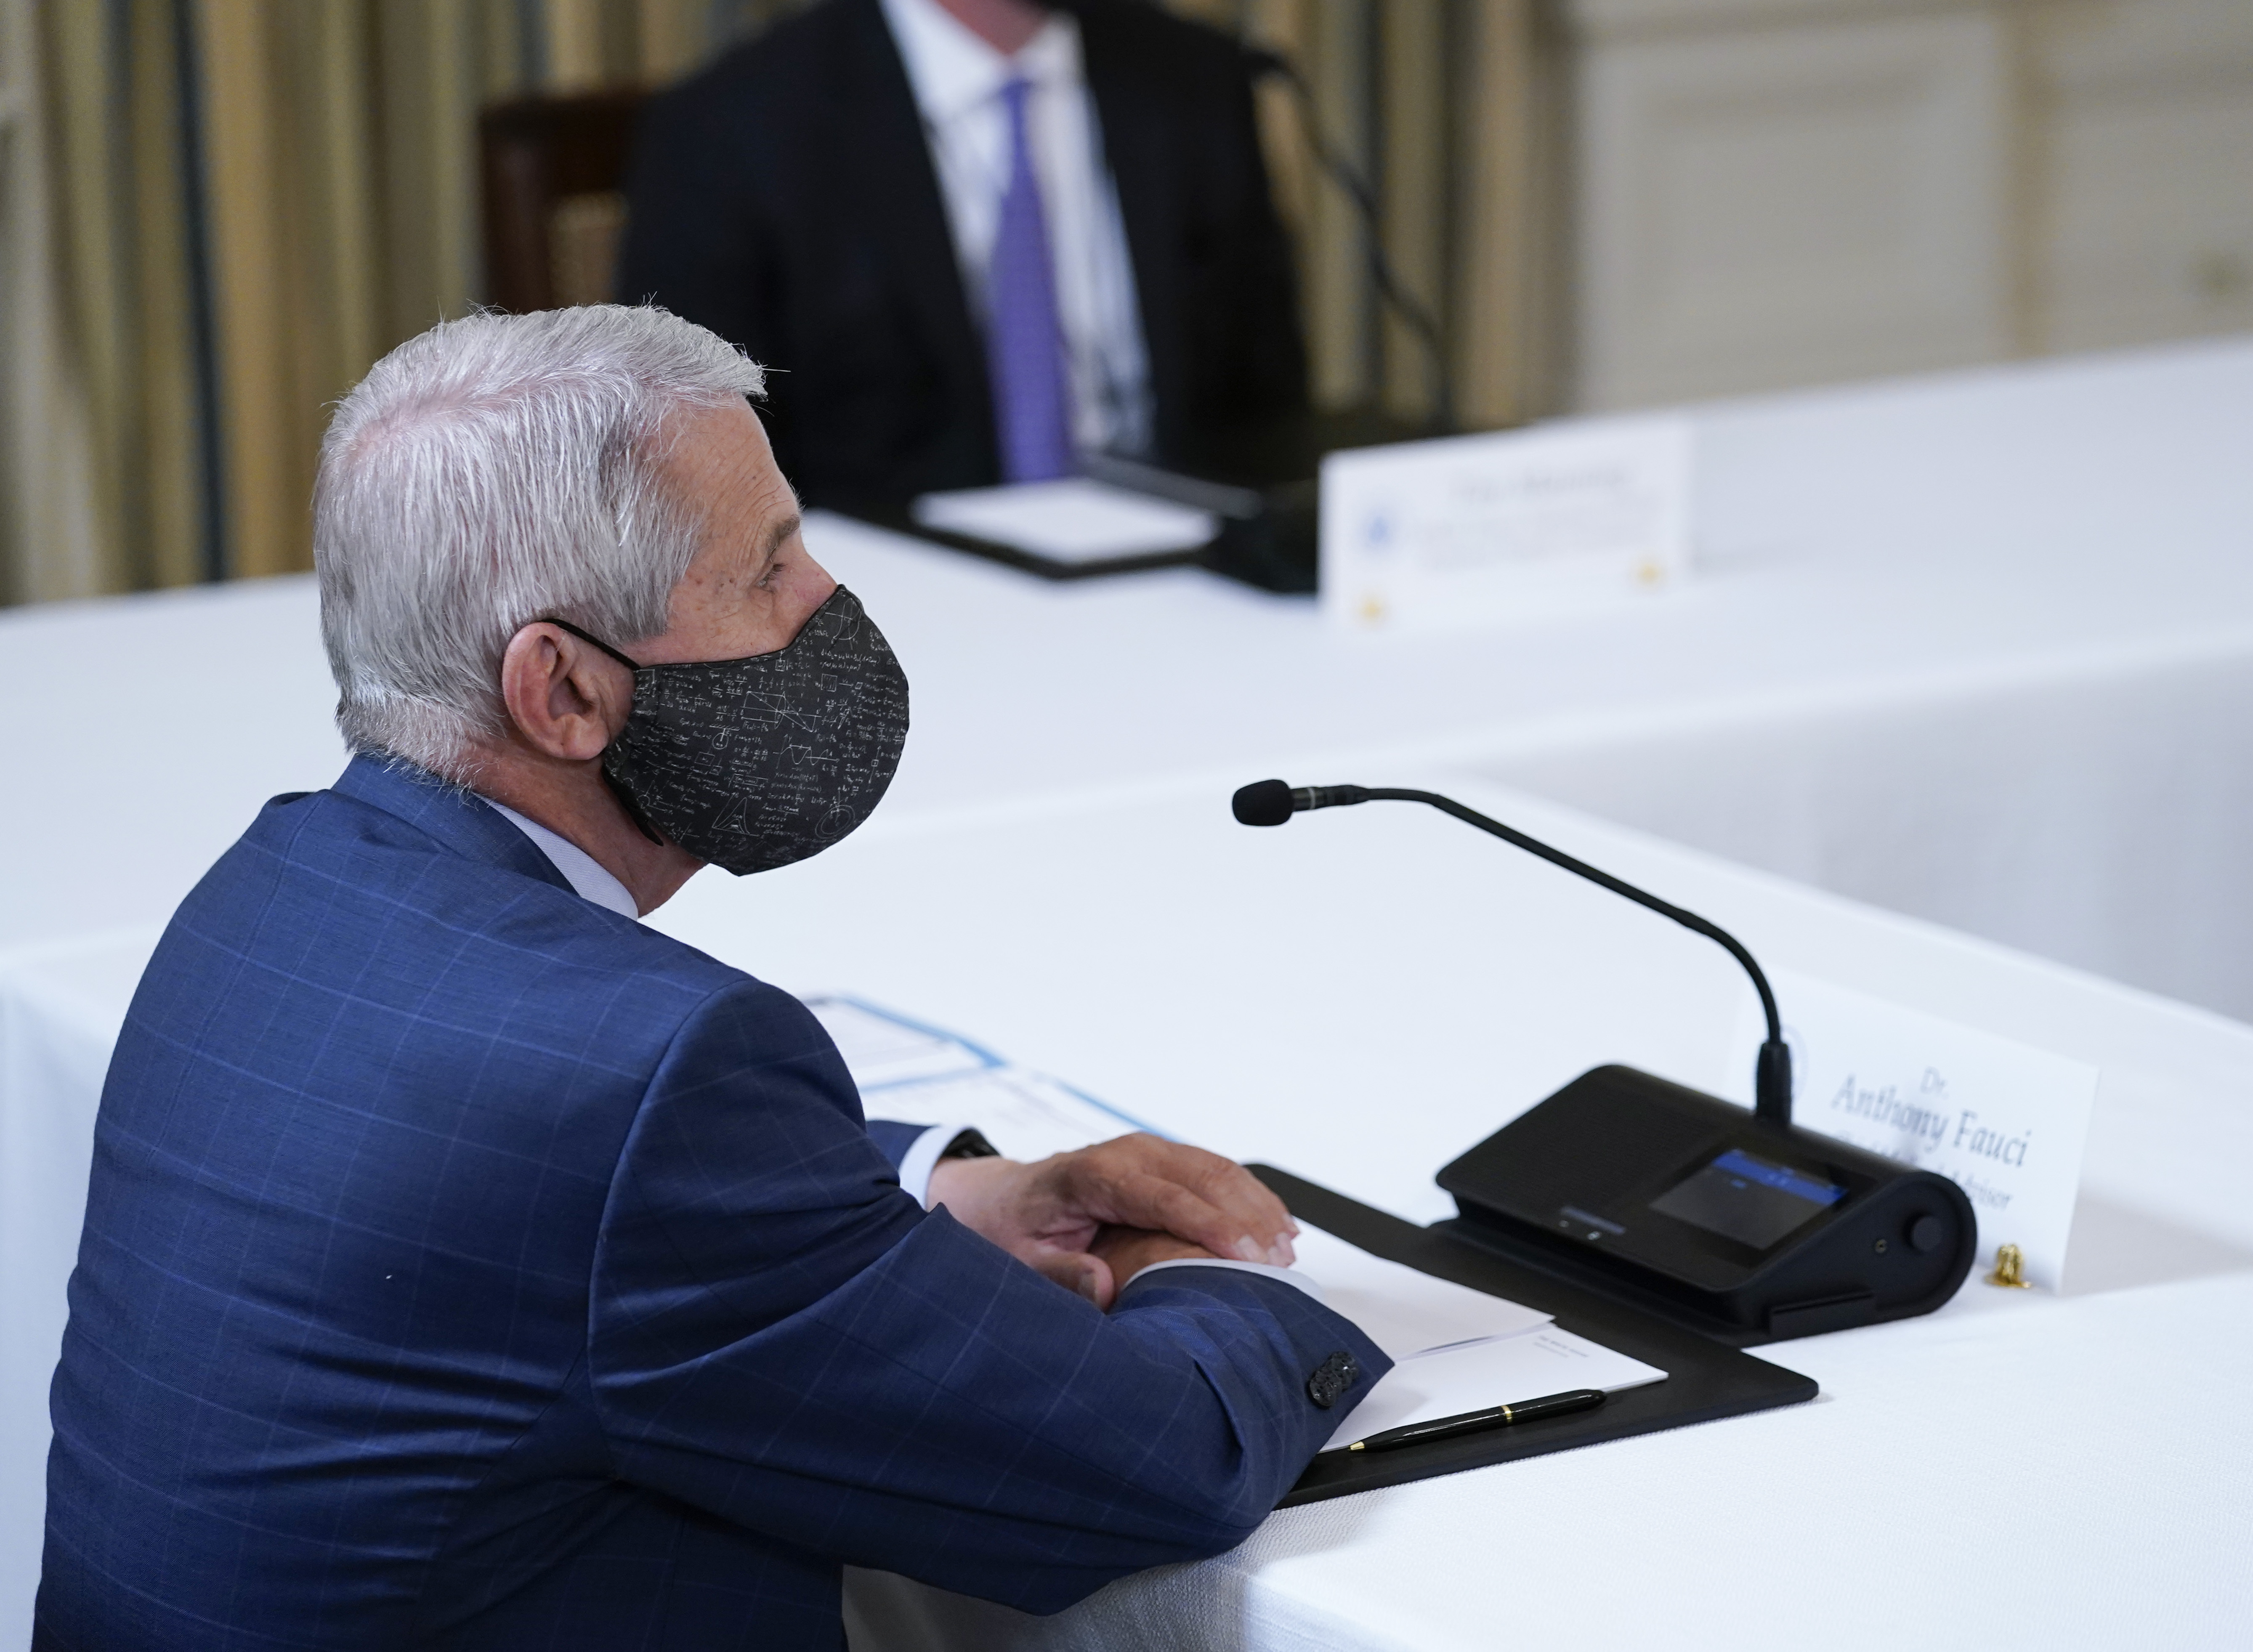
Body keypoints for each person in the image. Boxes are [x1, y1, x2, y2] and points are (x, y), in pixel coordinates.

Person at [35, 305, 1384, 1650]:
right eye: (769, 565)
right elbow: (1157, 1461)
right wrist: (1204, 1271)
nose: (825, 605)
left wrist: (942, 1188)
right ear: (560, 690)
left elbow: (510, 1170)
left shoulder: (268, 894)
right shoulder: (657, 1076)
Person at [619, 0, 1307, 512]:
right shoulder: (735, 127)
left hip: (1178, 571)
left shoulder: (1194, 81)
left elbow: (1267, 403)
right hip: (894, 601)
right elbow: (692, 467)